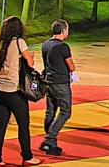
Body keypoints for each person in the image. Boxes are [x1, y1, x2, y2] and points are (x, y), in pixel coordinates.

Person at [0, 16, 42, 165]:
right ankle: (27, 156)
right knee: (23, 125)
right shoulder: (20, 42)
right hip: (14, 90)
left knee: (1, 125)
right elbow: (30, 64)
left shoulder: (0, 43)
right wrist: (31, 57)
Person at [40, 19, 75, 156]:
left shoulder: (45, 44)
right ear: (63, 30)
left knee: (50, 111)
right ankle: (49, 139)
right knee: (65, 112)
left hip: (49, 81)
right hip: (61, 83)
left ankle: (51, 142)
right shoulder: (63, 47)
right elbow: (71, 66)